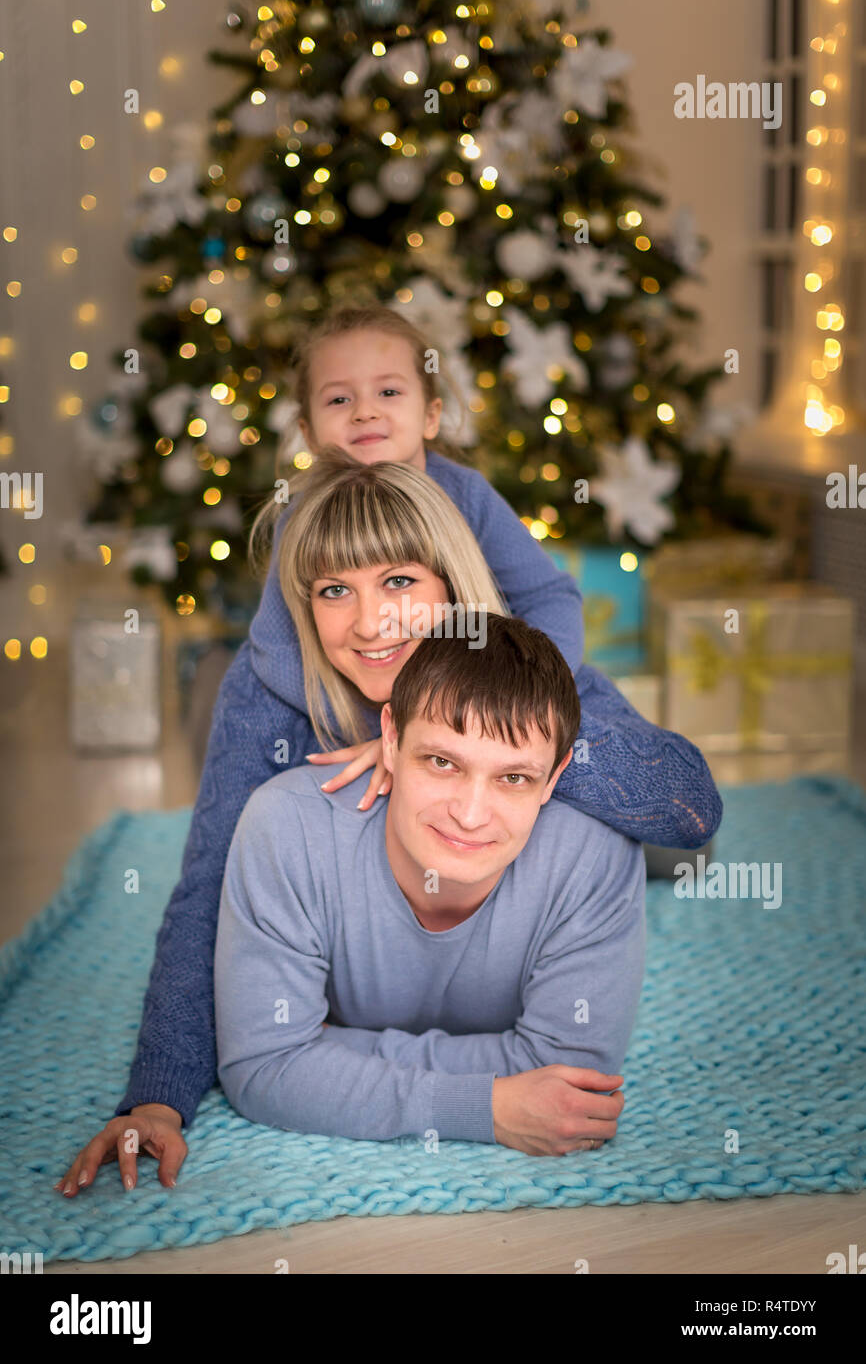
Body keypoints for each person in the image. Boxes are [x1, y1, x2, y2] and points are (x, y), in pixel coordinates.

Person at [55, 312, 721, 1197]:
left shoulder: (517, 659)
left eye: (402, 582)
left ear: (450, 584)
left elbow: (691, 813)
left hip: (576, 853)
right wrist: (160, 1101)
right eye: (336, 591)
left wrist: (500, 744)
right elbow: (206, 893)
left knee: (646, 850)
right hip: (355, 923)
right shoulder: (272, 699)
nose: (372, 623)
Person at [214, 614, 645, 1155]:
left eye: (514, 778)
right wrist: (487, 1107)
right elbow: (262, 1066)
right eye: (442, 762)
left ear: (553, 779)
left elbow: (571, 1081)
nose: (469, 814)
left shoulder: (595, 850)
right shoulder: (286, 825)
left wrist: (326, 1053)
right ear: (390, 739)